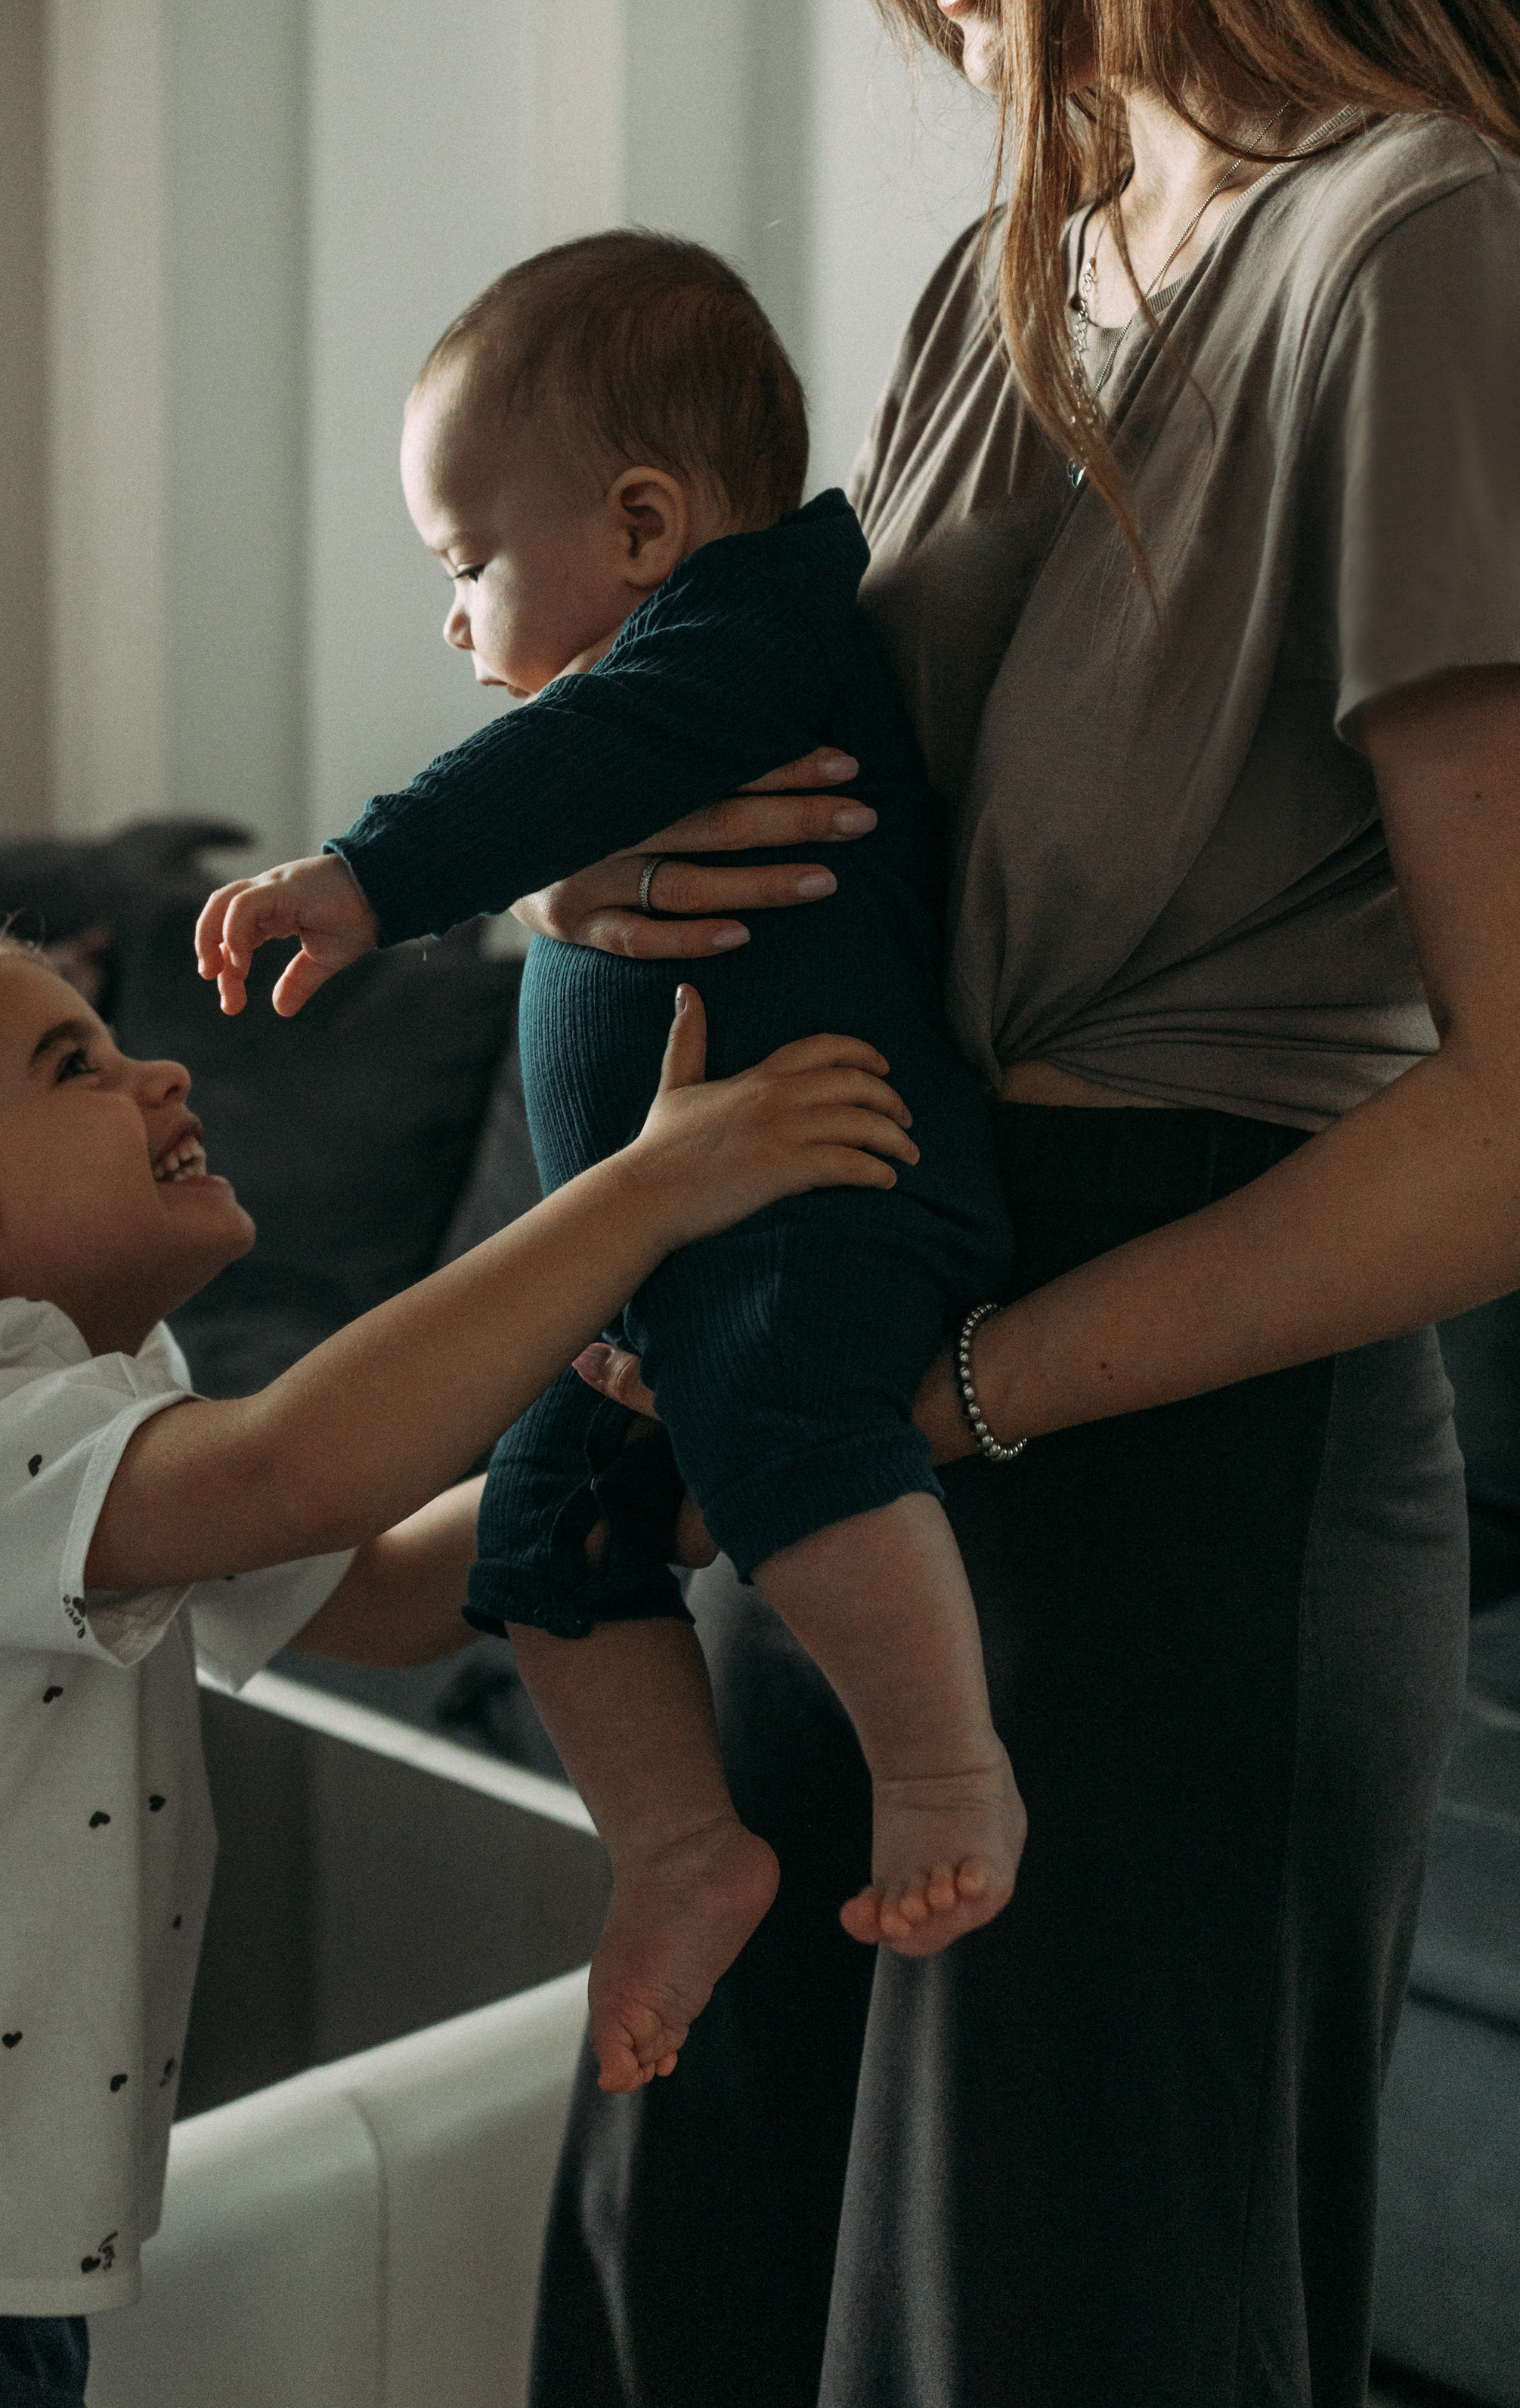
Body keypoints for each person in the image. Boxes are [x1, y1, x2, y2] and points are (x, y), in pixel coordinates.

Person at [514, 0, 1520, 2403]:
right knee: (691, 2237)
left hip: (1174, 1477)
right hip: (872, 1379)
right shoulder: (1004, 276)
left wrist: (953, 1404)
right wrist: (615, 894)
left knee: (1039, 2332)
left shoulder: (1416, 252)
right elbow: (863, 837)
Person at [0, 916, 904, 2408]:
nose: (159, 1070)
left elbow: (393, 1591)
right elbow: (304, 1470)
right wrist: (642, 1196)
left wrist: (633, 1436)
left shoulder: (94, 1408)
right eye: (71, 1065)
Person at [195, 231, 1022, 2099]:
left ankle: (941, 1763)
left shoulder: (745, 632)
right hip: (676, 1255)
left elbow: (568, 759)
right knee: (543, 1514)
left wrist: (367, 875)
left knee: (773, 1411)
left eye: (466, 563)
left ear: (643, 526)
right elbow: (575, 783)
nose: (451, 618)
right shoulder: (686, 670)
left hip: (825, 1194)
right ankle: (674, 1845)